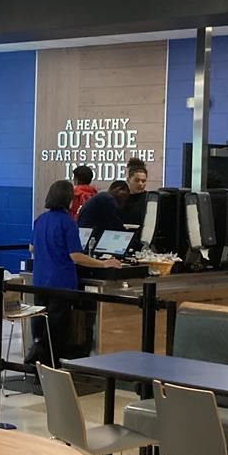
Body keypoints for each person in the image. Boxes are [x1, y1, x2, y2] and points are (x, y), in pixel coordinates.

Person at [29, 179, 111, 367]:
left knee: (40, 325)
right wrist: (104, 263)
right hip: (61, 283)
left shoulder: (40, 219)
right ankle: (53, 366)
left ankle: (38, 363)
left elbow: (32, 248)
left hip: (40, 281)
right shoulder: (68, 222)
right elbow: (76, 256)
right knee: (57, 329)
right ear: (69, 199)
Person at [121, 157, 150, 228]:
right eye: (137, 180)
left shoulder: (150, 199)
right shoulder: (121, 199)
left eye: (143, 181)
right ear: (128, 180)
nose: (140, 184)